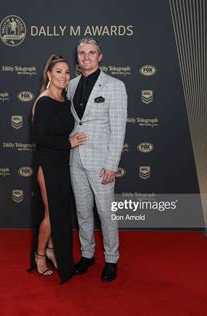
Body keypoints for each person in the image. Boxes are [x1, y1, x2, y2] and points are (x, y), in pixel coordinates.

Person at [67, 38, 127, 282]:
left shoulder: (115, 86)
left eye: (92, 53)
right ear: (78, 57)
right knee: (82, 212)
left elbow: (119, 128)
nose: (86, 57)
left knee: (105, 213)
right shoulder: (70, 85)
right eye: (82, 53)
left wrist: (112, 165)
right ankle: (87, 254)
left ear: (100, 56)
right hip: (75, 159)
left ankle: (111, 260)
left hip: (101, 161)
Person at [29, 54, 87, 283]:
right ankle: (40, 256)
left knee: (58, 211)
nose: (64, 77)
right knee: (52, 213)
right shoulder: (43, 102)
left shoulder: (65, 100)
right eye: (58, 72)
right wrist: (69, 143)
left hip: (63, 162)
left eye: (67, 72)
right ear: (49, 75)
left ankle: (52, 250)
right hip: (48, 163)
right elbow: (40, 138)